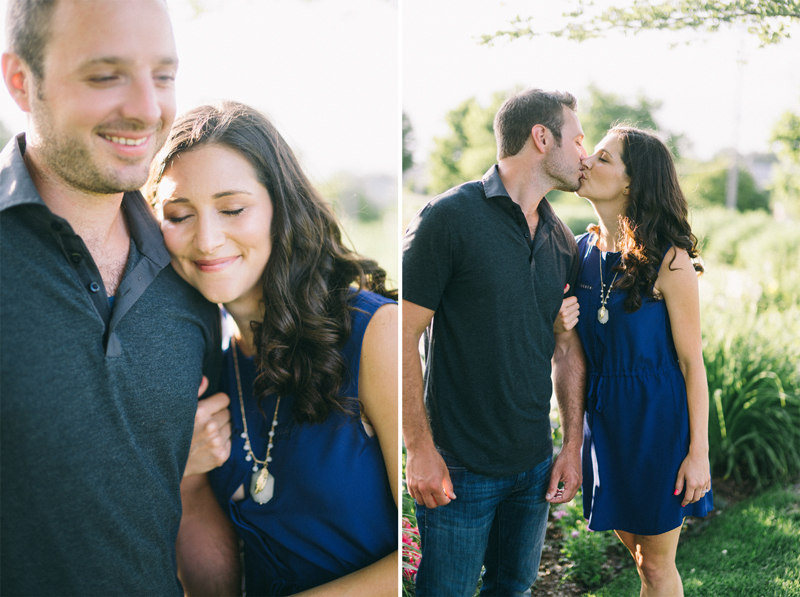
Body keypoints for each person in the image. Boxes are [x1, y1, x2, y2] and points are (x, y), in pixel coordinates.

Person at [0, 0, 222, 595]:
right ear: (22, 82)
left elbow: (184, 502)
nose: (148, 110)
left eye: (164, 76)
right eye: (106, 75)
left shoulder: (195, 274)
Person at [147, 101, 399, 597]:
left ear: (280, 208)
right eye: (179, 215)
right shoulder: (209, 369)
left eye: (233, 209)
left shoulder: (374, 333)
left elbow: (429, 544)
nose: (207, 239)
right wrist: (188, 477)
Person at [402, 88, 588, 596]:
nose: (584, 154)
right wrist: (419, 450)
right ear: (541, 137)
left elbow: (567, 348)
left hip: (531, 467)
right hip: (458, 467)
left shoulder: (561, 238)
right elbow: (400, 337)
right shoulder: (448, 218)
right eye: (577, 140)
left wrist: (570, 446)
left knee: (514, 590)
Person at [559, 126, 713, 596]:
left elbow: (692, 364)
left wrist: (699, 454)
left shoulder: (671, 261)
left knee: (656, 567)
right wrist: (557, 327)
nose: (586, 161)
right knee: (640, 557)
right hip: (604, 423)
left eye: (603, 158)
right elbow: (570, 350)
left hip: (659, 424)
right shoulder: (577, 252)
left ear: (631, 182)